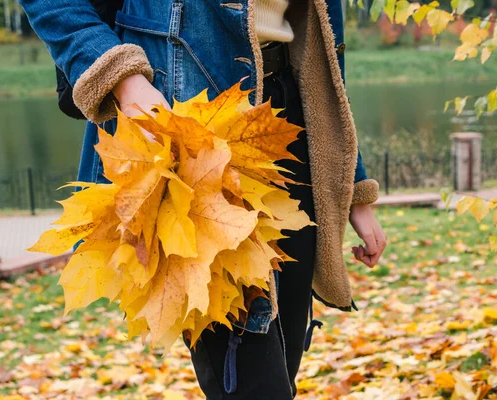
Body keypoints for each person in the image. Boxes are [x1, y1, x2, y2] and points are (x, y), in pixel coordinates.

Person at [19, 0, 387, 398]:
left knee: (282, 365)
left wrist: (353, 184)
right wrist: (122, 76)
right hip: (184, 140)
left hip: (288, 123)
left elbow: (323, 48)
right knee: (256, 386)